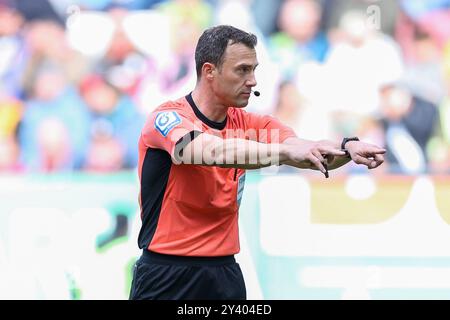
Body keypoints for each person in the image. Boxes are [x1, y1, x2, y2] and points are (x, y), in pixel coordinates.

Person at [129, 25, 386, 300]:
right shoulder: (166, 119)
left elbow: (302, 149)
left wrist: (347, 147)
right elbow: (211, 152)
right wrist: (286, 153)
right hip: (166, 274)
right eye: (242, 70)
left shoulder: (253, 124)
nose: (252, 80)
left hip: (224, 274)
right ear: (209, 71)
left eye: (254, 69)